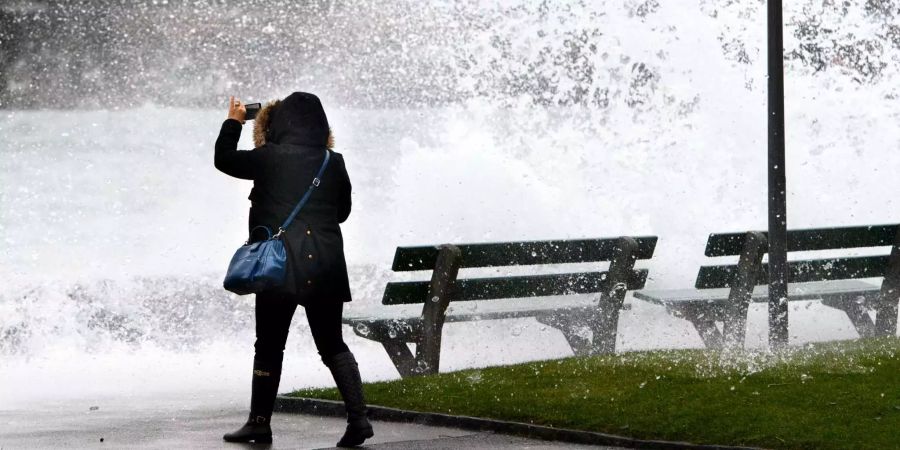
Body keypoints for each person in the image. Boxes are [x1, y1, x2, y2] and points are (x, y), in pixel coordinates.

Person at [214, 92, 373, 446]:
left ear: (281, 123)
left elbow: (223, 159)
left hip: (280, 265)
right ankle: (359, 419)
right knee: (332, 344)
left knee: (269, 345)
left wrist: (234, 122)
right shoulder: (334, 161)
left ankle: (259, 423)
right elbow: (342, 213)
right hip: (327, 264)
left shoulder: (270, 157)